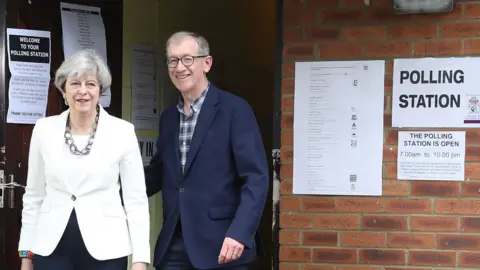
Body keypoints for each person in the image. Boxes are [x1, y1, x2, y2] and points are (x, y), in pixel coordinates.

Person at [145, 31, 269, 270]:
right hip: (175, 244)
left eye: (187, 59)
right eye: (173, 60)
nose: (179, 67)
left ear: (207, 63)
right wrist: (105, 189)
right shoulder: (169, 118)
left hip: (222, 245)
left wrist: (240, 233)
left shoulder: (235, 110)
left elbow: (256, 178)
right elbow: (158, 174)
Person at [18, 48, 150, 270]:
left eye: (90, 84)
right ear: (63, 90)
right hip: (51, 248)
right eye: (75, 83)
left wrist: (140, 259)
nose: (83, 91)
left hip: (107, 249)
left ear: (100, 91)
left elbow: (136, 200)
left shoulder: (122, 132)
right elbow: (33, 196)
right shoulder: (44, 130)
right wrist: (26, 254)